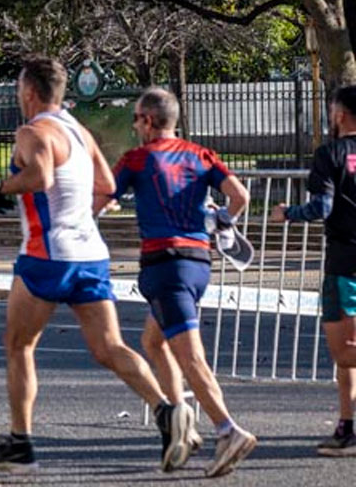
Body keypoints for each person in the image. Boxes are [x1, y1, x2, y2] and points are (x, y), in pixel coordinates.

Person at [0, 56, 194, 473]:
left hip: (47, 253)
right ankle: (167, 410)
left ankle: (21, 443)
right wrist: (81, 215)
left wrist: (2, 187)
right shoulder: (79, 133)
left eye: (18, 88)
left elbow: (40, 177)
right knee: (109, 348)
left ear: (29, 92)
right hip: (90, 253)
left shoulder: (33, 131)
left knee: (18, 345)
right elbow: (109, 186)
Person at [101, 87, 256, 477]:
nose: (135, 125)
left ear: (150, 121)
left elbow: (101, 197)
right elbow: (239, 195)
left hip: (164, 263)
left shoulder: (137, 159)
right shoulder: (199, 154)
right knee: (154, 341)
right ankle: (179, 416)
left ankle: (227, 429)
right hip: (197, 261)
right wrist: (223, 222)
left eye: (137, 118)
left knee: (190, 356)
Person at [272, 84, 356, 457]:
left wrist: (287, 213)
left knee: (344, 354)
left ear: (339, 115)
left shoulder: (331, 154)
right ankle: (346, 426)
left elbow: (321, 208)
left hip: (345, 265)